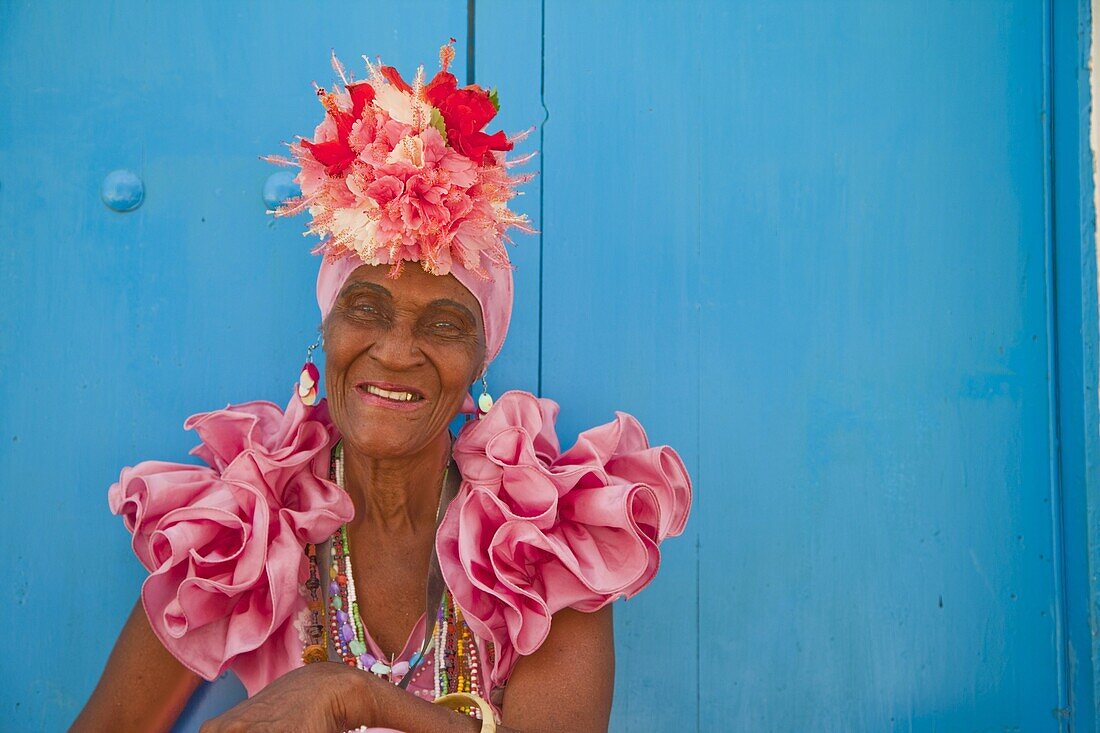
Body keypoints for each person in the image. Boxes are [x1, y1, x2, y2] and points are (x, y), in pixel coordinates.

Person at [73, 41, 692, 733]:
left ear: (477, 366)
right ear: (328, 333)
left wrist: (351, 695)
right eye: (365, 308)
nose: (396, 351)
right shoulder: (239, 534)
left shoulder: (544, 545)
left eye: (445, 323)